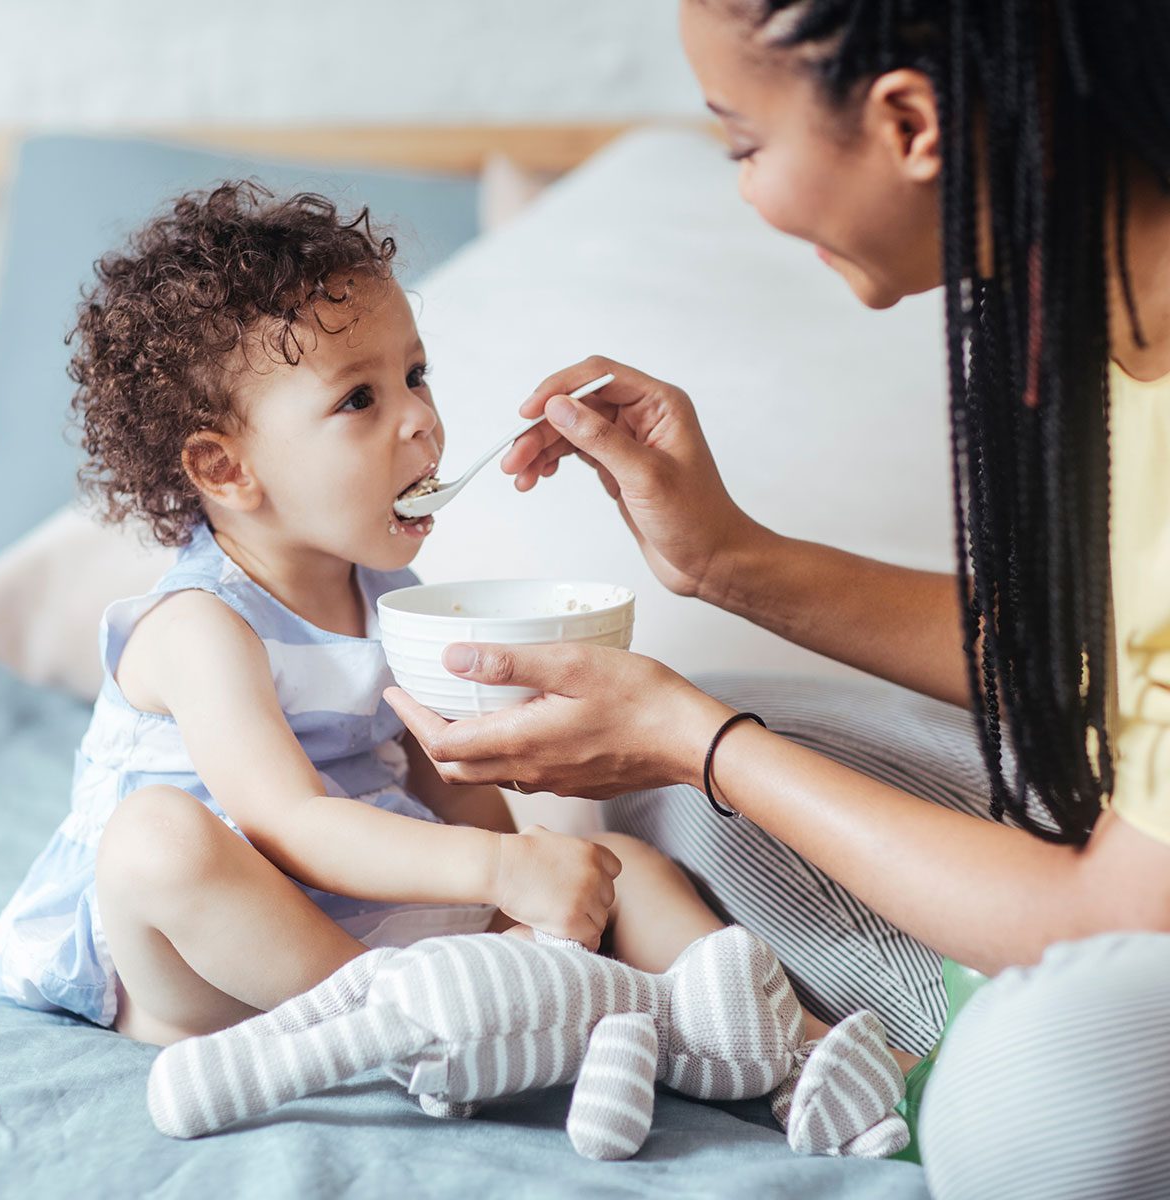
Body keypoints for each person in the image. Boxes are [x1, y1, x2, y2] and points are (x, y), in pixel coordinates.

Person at [383, 3, 1170, 1197]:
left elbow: (1116, 917)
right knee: (690, 787)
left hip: (1124, 916)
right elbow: (1099, 665)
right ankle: (950, 978)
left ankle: (956, 1031)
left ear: (910, 122)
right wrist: (722, 561)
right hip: (1130, 867)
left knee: (1037, 1103)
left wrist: (696, 742)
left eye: (743, 143)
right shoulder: (1109, 326)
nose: (743, 187)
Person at [0, 182, 762, 1051]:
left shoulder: (389, 595)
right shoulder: (199, 627)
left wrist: (522, 889)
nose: (422, 419)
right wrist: (499, 871)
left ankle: (793, 1050)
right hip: (215, 961)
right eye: (360, 399)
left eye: (416, 375)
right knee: (154, 843)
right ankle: (407, 1027)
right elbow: (291, 821)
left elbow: (435, 769)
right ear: (226, 468)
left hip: (370, 918)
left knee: (629, 873)